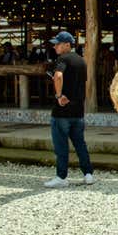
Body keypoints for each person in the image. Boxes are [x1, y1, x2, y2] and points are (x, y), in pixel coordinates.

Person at [44, 31, 95, 188]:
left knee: (61, 146)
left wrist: (59, 95)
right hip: (78, 110)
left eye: (58, 44)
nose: (55, 46)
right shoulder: (82, 61)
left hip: (62, 111)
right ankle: (88, 174)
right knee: (80, 144)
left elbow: (58, 75)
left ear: (67, 45)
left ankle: (61, 177)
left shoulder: (62, 59)